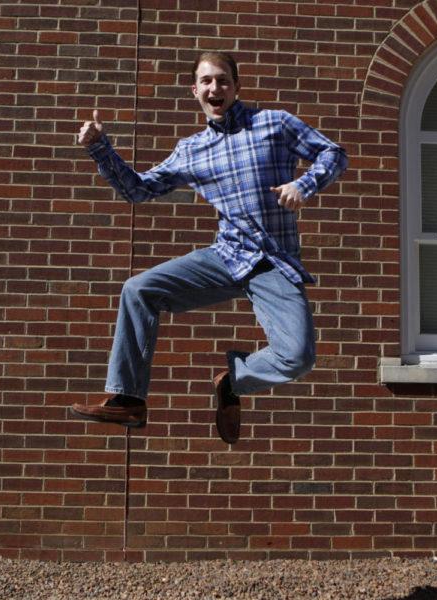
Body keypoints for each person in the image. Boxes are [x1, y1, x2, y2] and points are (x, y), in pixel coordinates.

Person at [71, 51, 347, 444]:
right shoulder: (191, 149)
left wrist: (304, 185)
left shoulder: (275, 124)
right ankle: (129, 398)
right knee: (138, 289)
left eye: (222, 80)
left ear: (236, 87)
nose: (214, 88)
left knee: (298, 357)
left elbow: (333, 153)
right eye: (206, 81)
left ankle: (234, 381)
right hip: (227, 255)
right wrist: (100, 148)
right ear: (195, 90)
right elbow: (138, 189)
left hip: (273, 263)